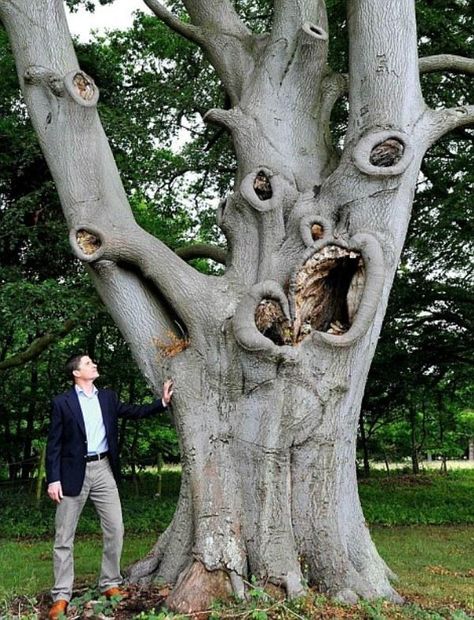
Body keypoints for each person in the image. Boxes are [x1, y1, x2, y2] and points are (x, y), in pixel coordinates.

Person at [46, 353, 173, 620]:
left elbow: (134, 412)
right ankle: (60, 596)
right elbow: (54, 444)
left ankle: (109, 583)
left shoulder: (108, 397)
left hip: (103, 468)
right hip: (71, 473)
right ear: (76, 373)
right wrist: (53, 478)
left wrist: (161, 402)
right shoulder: (62, 403)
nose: (94, 365)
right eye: (88, 364)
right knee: (64, 537)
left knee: (115, 527)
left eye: (93, 362)